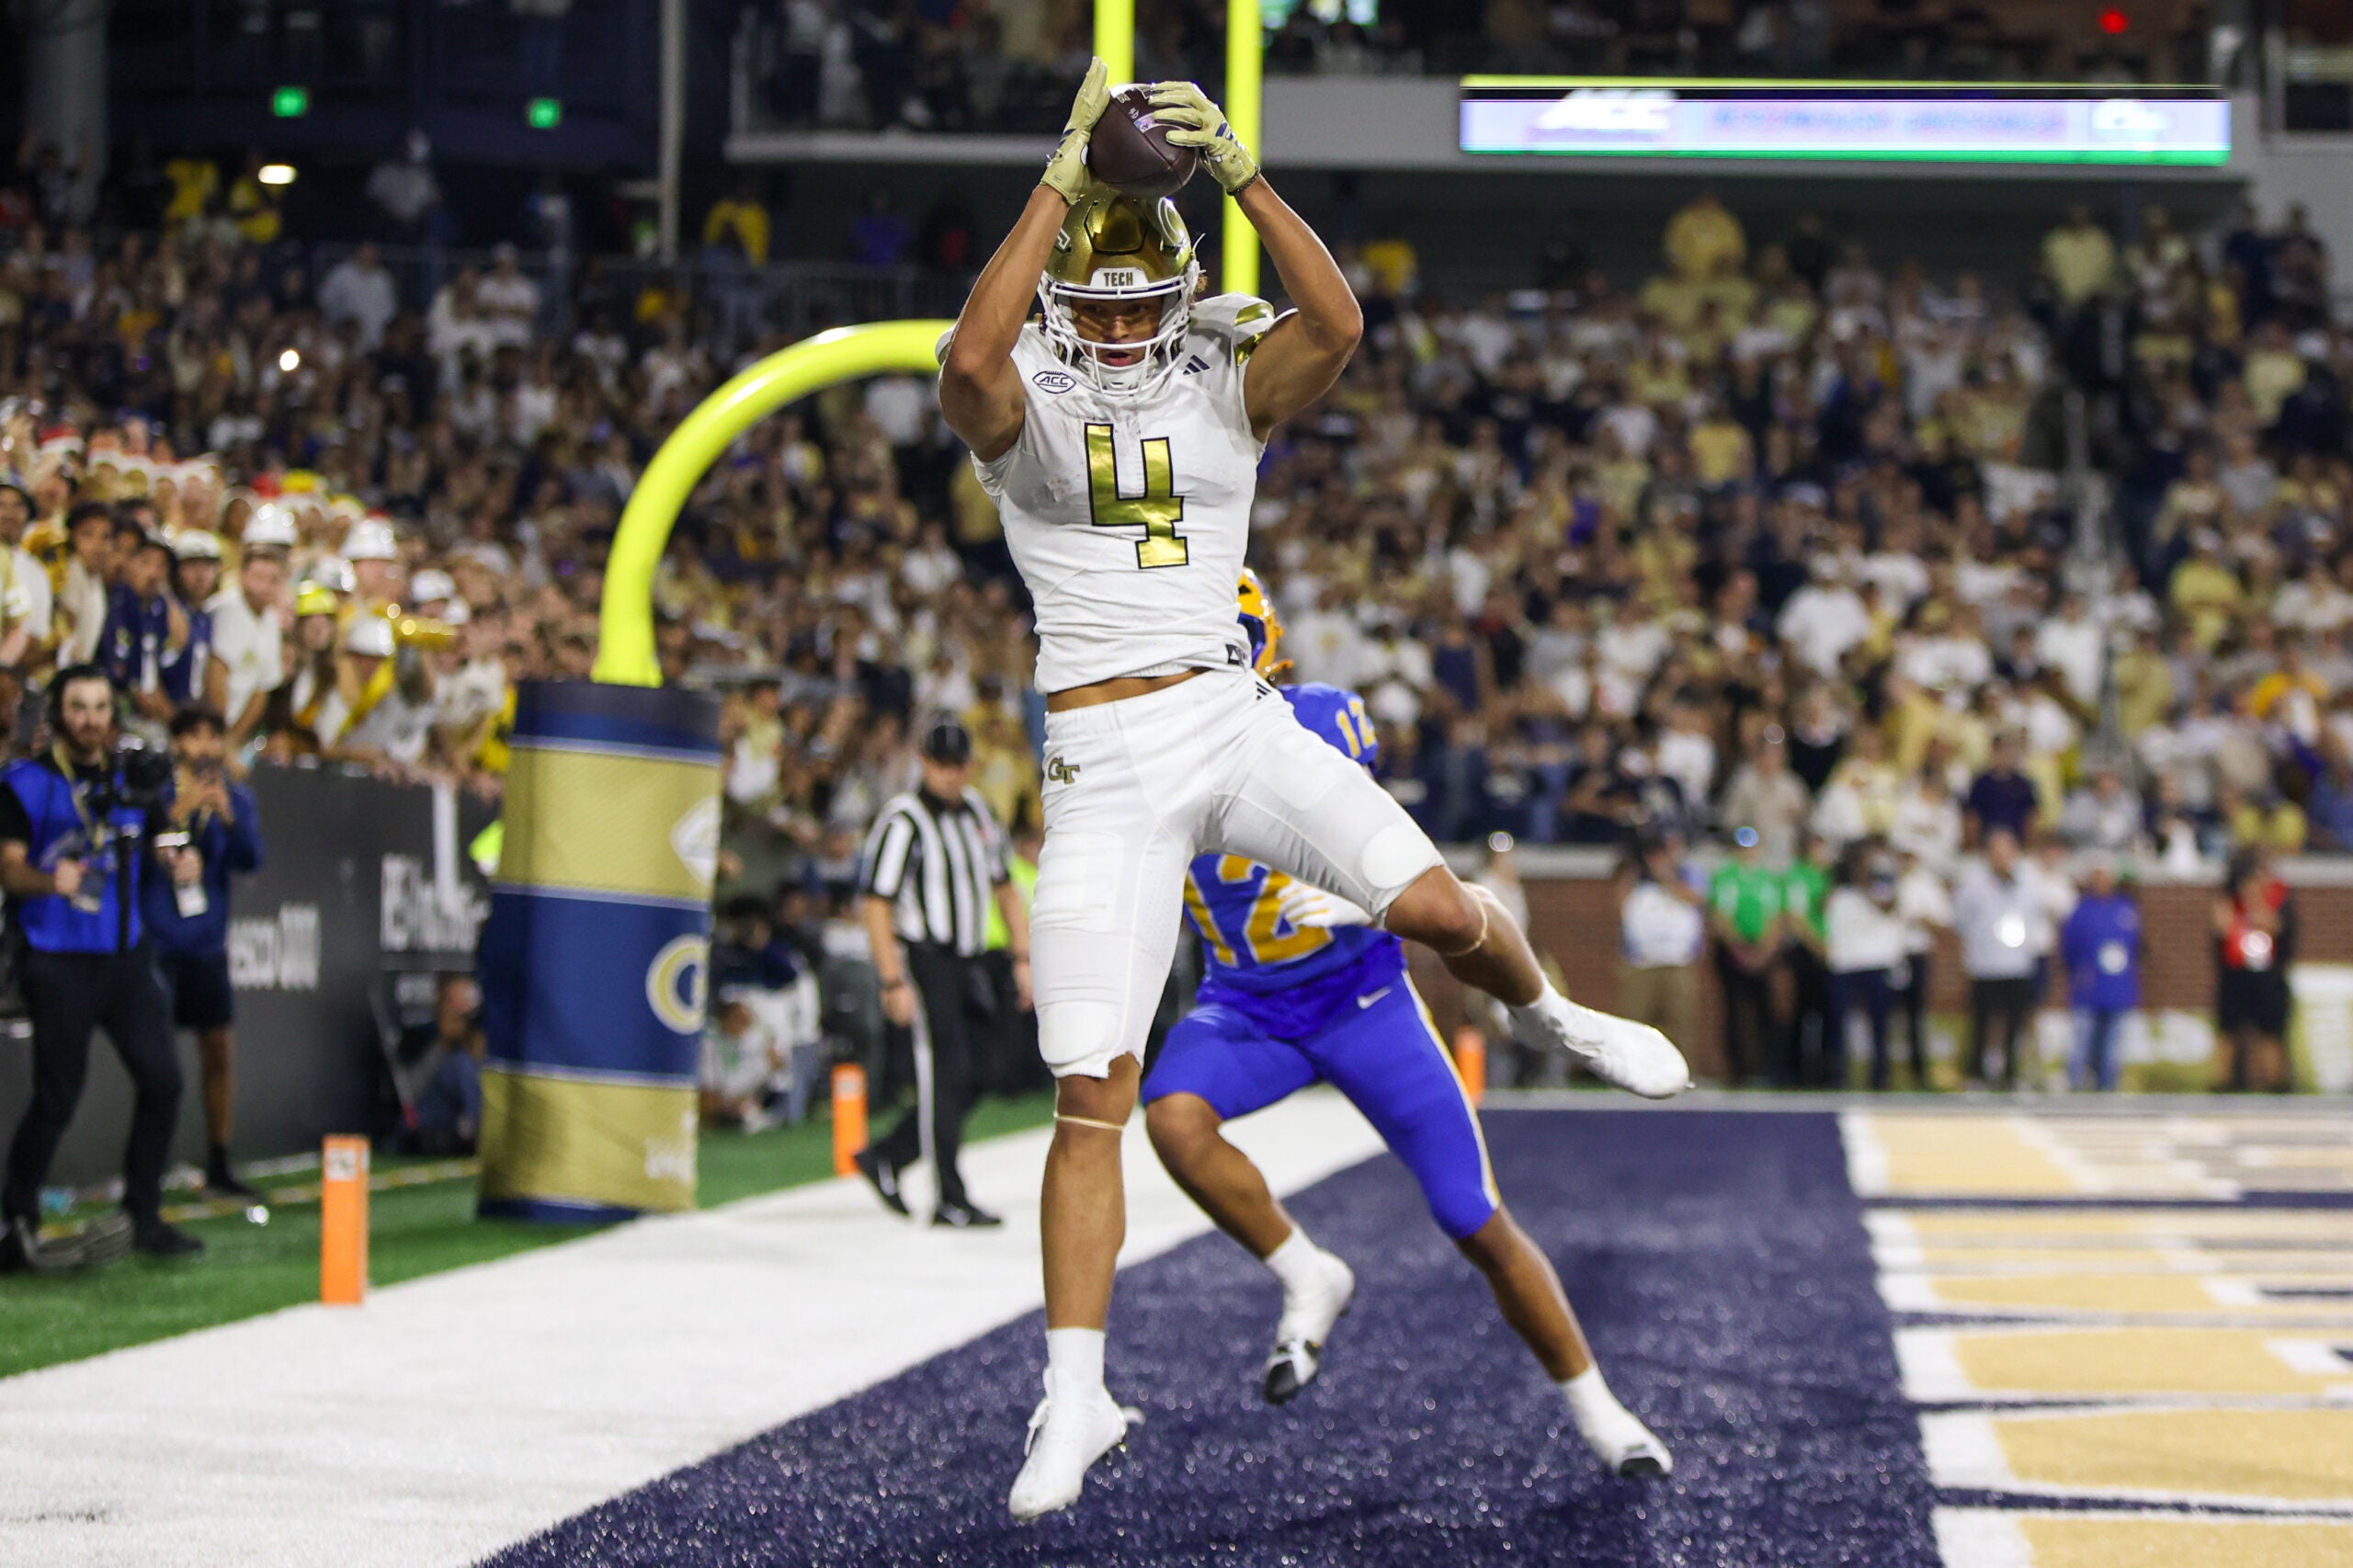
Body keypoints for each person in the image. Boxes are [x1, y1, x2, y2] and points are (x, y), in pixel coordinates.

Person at [935, 61, 1687, 1522]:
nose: (1112, 322)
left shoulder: (1227, 385)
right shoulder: (1017, 411)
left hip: (1231, 713)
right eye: (1088, 301)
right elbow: (970, 368)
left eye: (1132, 299)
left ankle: (1550, 1013)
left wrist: (1244, 182)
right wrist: (1059, 183)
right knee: (1094, 1094)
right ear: (1056, 301)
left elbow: (1338, 322)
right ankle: (1076, 1388)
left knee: (1428, 901)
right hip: (1100, 759)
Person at [1142, 574, 1670, 1478]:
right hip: (1247, 1002)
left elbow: (1392, 851)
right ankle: (1309, 1272)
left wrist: (1356, 893)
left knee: (1472, 1214)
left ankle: (1599, 1406)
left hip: (1361, 998)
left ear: (1265, 652)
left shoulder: (1322, 721)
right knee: (1172, 1117)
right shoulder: (1150, 752)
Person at [0, 666, 199, 1265]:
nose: (90, 719)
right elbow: (8, 868)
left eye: (100, 707)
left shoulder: (135, 776)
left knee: (163, 1081)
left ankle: (145, 1216)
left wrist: (179, 862)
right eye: (78, 707)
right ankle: (15, 1221)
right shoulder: (26, 782)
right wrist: (45, 879)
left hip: (125, 955)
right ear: (59, 715)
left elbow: (166, 838)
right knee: (57, 1098)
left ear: (115, 714)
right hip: (57, 956)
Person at [853, 717, 1032, 1229]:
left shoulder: (978, 812)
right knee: (947, 1071)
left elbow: (1004, 887)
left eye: (959, 766)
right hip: (925, 959)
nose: (952, 776)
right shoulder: (903, 819)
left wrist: (1022, 957)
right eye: (942, 765)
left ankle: (888, 1155)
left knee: (985, 1070)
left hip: (972, 958)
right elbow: (877, 904)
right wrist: (891, 979)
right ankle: (948, 1195)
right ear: (925, 764)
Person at [143, 705, 264, 1196]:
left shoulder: (234, 797)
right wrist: (175, 814)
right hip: (158, 942)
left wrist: (229, 816)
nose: (204, 746)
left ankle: (219, 1161)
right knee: (157, 1063)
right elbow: (138, 860)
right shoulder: (156, 794)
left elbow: (251, 859)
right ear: (176, 743)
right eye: (193, 736)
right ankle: (150, 1167)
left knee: (218, 1053)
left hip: (206, 944)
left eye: (213, 736)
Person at [1952, 828, 2041, 1090]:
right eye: (1997, 852)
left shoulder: (2026, 882)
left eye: (2007, 852)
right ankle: (1976, 1074)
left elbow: (2034, 918)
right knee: (1981, 1021)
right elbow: (1961, 920)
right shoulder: (1974, 885)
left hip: (2017, 964)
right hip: (1985, 964)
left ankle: (2011, 1074)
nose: (2003, 858)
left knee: (2015, 1022)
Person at [1824, 839, 1906, 1091]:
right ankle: (1838, 1076)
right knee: (1838, 1023)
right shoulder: (1839, 894)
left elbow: (1888, 907)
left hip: (1875, 964)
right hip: (1844, 965)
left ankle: (1880, 1077)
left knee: (1879, 1024)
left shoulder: (1881, 889)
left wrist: (1870, 881)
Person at [2214, 847, 2295, 1093]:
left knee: (2269, 1034)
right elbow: (2223, 927)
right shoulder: (2227, 899)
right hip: (2236, 974)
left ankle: (2275, 1084)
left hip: (2267, 976)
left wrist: (2255, 901)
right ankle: (2223, 1085)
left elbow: (2273, 925)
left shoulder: (2278, 898)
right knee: (2229, 1032)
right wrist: (2241, 903)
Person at [1707, 824, 1782, 1085]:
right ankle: (1737, 1070)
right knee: (1734, 1011)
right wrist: (1739, 949)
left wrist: (1764, 951)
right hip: (1734, 951)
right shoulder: (1727, 876)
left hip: (1761, 950)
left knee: (1765, 1011)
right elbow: (1721, 917)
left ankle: (1766, 1068)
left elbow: (1775, 917)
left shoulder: (1767, 878)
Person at [2061, 855, 2140, 1093]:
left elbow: (2134, 947)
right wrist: (2080, 972)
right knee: (2082, 1042)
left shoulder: (2126, 908)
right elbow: (2069, 948)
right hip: (2089, 987)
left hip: (2118, 988)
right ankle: (2075, 1086)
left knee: (2112, 1046)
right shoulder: (2081, 911)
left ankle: (2108, 1088)